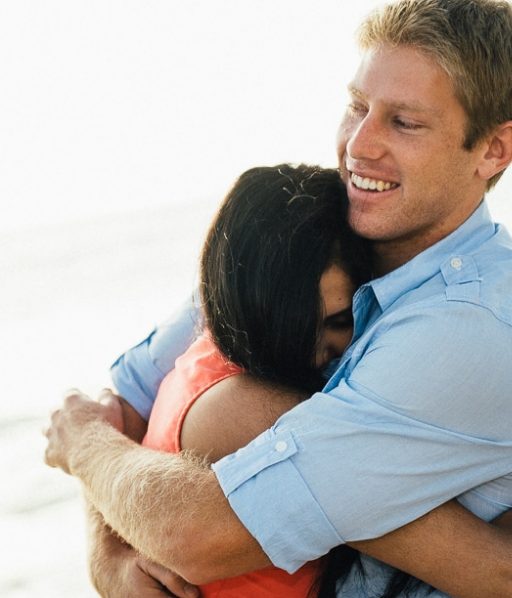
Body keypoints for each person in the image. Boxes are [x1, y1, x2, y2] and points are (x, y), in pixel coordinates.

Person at [46, 1, 512, 597]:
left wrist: (83, 445)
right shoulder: (310, 230)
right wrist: (110, 557)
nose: (359, 145)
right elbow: (127, 404)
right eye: (357, 106)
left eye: (404, 122)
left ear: (493, 149)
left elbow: (190, 531)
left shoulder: (465, 330)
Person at [136, 163, 371, 597]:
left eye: (340, 320)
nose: (317, 351)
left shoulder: (200, 358)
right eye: (297, 327)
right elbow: (474, 542)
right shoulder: (254, 409)